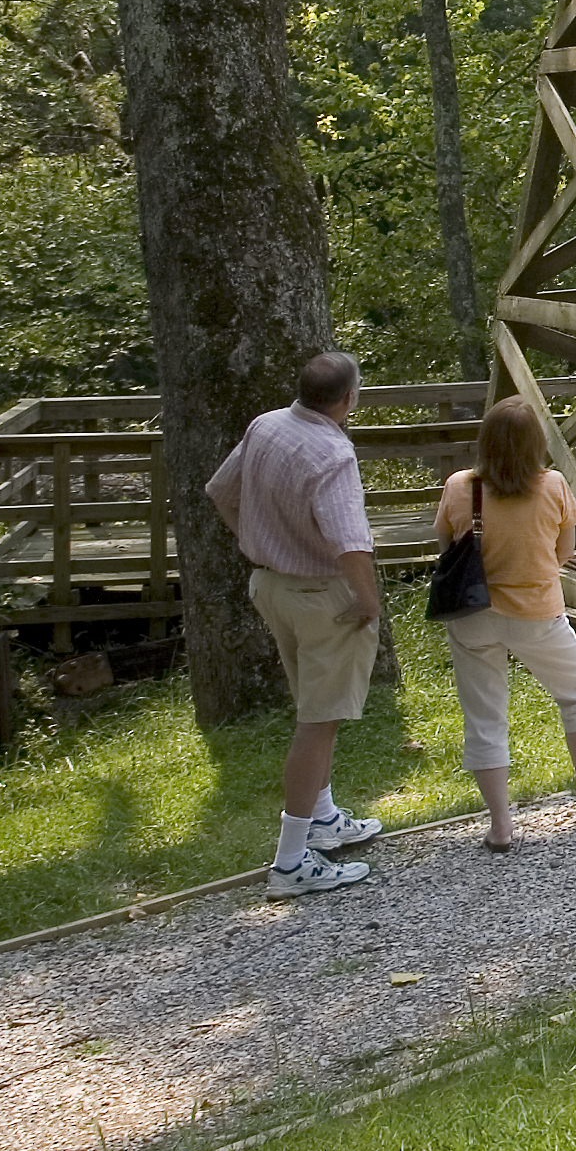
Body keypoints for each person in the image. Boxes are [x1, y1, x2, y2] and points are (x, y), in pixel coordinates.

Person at [203, 350, 391, 900]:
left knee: (311, 705)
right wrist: (368, 600)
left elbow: (220, 491)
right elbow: (349, 541)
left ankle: (324, 818)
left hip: (270, 587)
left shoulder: (267, 426)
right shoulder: (333, 452)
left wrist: (253, 540)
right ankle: (290, 862)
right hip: (320, 595)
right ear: (349, 399)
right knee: (319, 721)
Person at [429, 395, 576, 851]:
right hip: (538, 613)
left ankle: (501, 827)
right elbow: (563, 552)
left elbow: (447, 546)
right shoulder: (554, 485)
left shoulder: (460, 486)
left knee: (484, 718)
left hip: (472, 615)